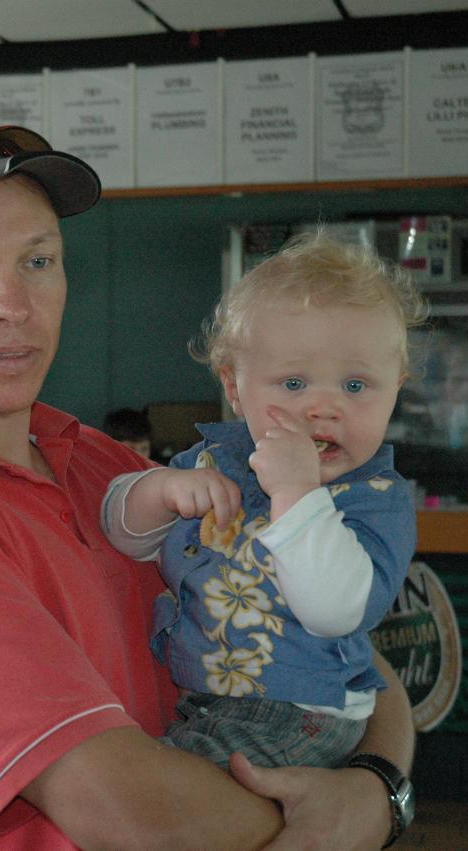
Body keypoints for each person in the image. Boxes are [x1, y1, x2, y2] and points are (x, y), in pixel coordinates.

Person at [0, 120, 415, 850]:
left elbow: (356, 664)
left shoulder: (106, 469)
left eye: (38, 260)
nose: (12, 303)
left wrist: (375, 786)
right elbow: (131, 815)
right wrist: (338, 820)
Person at [101, 233, 424, 770]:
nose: (323, 408)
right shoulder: (213, 459)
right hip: (202, 700)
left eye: (357, 385)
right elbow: (122, 534)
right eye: (294, 383)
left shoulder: (373, 499)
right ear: (234, 386)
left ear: (397, 388)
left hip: (300, 711)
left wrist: (296, 492)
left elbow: (334, 611)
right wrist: (159, 492)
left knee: (162, 791)